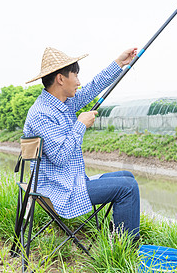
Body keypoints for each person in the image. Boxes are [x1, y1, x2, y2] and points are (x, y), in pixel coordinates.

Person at [23, 47, 140, 242]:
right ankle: (127, 249)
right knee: (127, 187)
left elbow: (92, 88)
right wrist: (80, 124)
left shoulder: (61, 103)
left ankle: (118, 236)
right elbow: (60, 157)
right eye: (75, 75)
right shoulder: (41, 114)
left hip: (70, 181)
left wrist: (119, 63)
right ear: (61, 79)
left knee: (126, 176)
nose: (79, 82)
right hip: (59, 191)